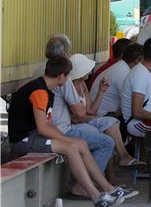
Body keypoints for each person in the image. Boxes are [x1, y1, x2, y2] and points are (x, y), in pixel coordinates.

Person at [8, 56, 131, 207]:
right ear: (61, 76)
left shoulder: (47, 90)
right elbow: (42, 127)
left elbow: (47, 124)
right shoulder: (40, 91)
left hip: (34, 135)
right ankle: (96, 196)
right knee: (71, 148)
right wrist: (65, 140)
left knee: (81, 144)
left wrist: (66, 139)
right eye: (68, 77)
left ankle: (108, 189)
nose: (68, 81)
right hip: (23, 140)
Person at [44, 35, 115, 179]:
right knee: (107, 142)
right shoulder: (63, 77)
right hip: (61, 130)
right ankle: (86, 184)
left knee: (97, 131)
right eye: (68, 52)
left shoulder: (43, 71)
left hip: (52, 128)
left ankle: (94, 182)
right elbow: (80, 113)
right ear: (64, 54)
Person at [69, 54, 146, 170]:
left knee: (109, 128)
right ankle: (122, 158)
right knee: (109, 126)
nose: (89, 71)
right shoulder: (69, 87)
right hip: (75, 123)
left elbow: (91, 110)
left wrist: (101, 92)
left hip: (85, 119)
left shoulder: (82, 85)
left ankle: (119, 164)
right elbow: (76, 117)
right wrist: (92, 118)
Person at [121, 37, 151, 138]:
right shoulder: (141, 75)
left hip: (143, 118)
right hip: (135, 123)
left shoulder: (144, 71)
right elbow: (137, 112)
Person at [90, 43, 144, 117]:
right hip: (101, 115)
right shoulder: (123, 72)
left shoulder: (122, 66)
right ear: (138, 59)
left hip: (101, 111)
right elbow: (133, 105)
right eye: (144, 60)